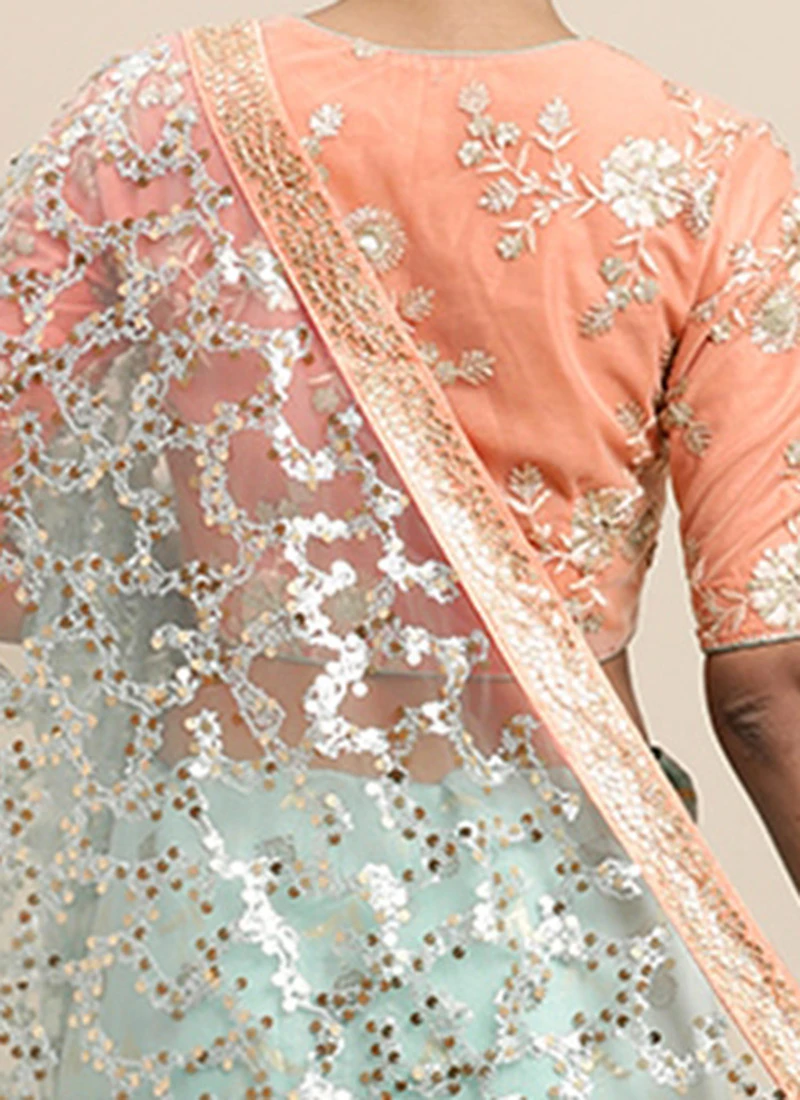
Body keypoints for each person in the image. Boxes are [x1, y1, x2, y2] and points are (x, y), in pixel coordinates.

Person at [1, 0, 799, 1095]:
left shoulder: (145, 120)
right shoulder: (709, 168)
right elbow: (765, 688)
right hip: (560, 904)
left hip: (221, 897)